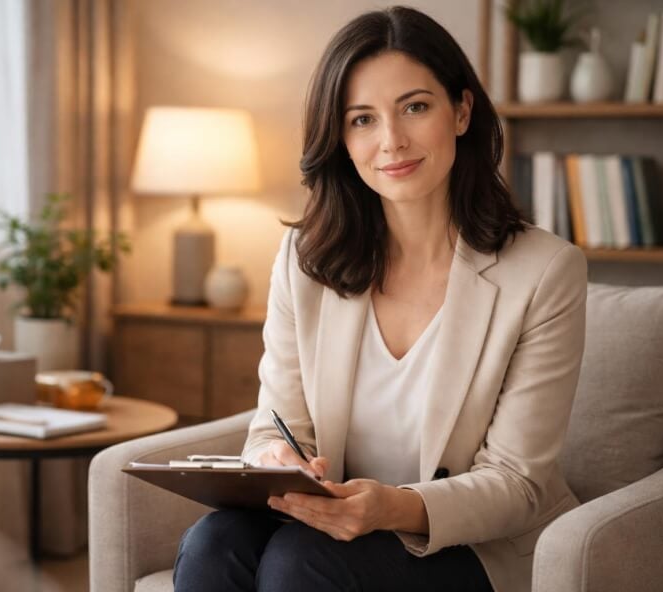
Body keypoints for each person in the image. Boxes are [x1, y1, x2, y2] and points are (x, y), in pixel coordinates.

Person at [173, 6, 587, 592]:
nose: (391, 141)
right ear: (340, 139)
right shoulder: (305, 258)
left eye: (415, 107)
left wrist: (389, 507)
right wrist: (278, 463)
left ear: (462, 111)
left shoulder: (544, 272)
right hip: (327, 525)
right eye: (362, 120)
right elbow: (275, 427)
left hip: (476, 547)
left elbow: (517, 484)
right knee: (214, 543)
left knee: (301, 561)